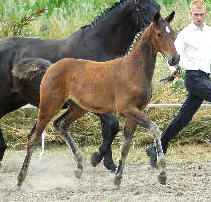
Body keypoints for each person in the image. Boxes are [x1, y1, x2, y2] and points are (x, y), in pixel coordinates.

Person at [146, 0, 211, 168]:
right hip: (193, 78)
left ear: (205, 13)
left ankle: (157, 147)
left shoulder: (209, 32)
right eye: (195, 14)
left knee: (184, 117)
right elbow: (171, 53)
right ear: (191, 14)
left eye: (201, 14)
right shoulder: (185, 34)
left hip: (205, 78)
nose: (198, 17)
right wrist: (172, 68)